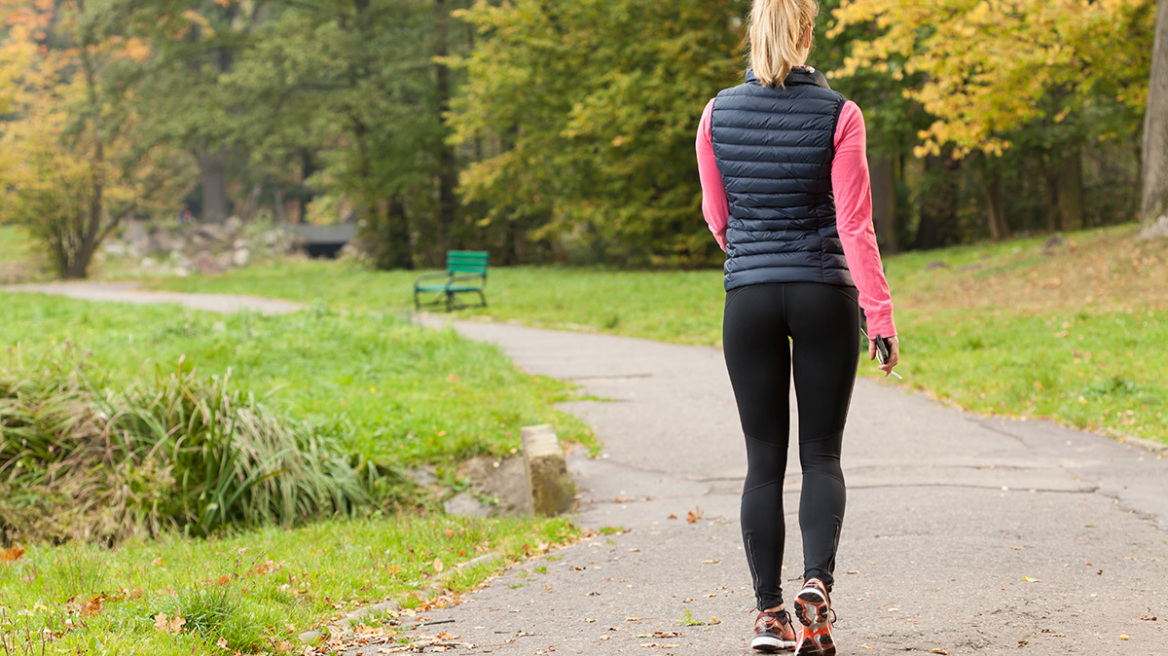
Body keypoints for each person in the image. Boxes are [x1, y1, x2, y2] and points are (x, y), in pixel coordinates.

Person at [695, 0, 900, 653]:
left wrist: (752, 256)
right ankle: (816, 589)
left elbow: (717, 215)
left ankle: (767, 616)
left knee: (762, 464)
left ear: (755, 32)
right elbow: (855, 225)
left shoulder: (717, 113)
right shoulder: (839, 114)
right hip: (822, 292)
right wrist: (880, 312)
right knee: (821, 455)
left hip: (748, 296)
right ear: (808, 33)